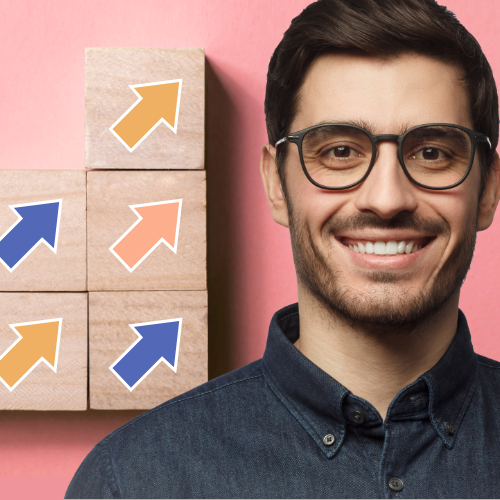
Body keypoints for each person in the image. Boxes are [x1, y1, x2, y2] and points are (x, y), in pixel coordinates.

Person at [66, 0, 500, 497]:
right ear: (276, 183)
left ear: (488, 189)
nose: (386, 199)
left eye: (431, 153)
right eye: (339, 151)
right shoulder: (133, 480)